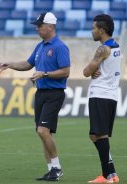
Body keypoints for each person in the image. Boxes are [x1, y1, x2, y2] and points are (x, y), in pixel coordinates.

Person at [0, 12, 70, 181]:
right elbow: (28, 64)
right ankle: (51, 170)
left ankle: (57, 168)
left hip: (53, 93)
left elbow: (66, 71)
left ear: (50, 26)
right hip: (41, 93)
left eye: (40, 25)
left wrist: (45, 74)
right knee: (42, 132)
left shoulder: (59, 47)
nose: (37, 28)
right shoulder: (40, 46)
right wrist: (10, 64)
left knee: (43, 131)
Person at [83, 14, 121, 183]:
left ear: (102, 30)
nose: (92, 31)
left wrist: (92, 70)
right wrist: (95, 70)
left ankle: (106, 176)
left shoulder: (103, 49)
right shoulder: (116, 46)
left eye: (94, 28)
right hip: (111, 94)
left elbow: (85, 71)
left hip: (101, 93)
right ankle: (112, 173)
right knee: (95, 135)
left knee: (100, 135)